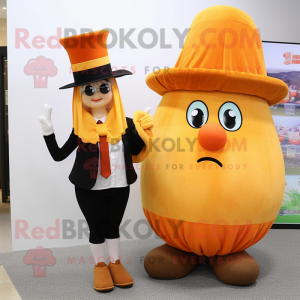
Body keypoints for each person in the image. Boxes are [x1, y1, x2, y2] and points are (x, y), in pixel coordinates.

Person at [38, 29, 153, 292]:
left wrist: (143, 132)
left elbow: (136, 152)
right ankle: (100, 266)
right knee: (96, 228)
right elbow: (58, 155)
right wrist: (48, 133)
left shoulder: (126, 125)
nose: (97, 93)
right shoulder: (80, 130)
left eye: (104, 87)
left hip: (120, 186)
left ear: (113, 88)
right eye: (89, 89)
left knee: (113, 226)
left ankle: (115, 262)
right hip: (88, 189)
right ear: (80, 94)